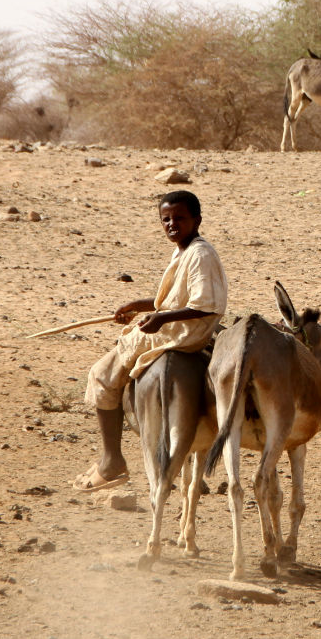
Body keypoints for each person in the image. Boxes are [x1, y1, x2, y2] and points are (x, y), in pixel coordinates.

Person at [72, 190, 228, 491]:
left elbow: (204, 305)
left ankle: (111, 461)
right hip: (178, 325)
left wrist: (160, 320)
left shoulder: (200, 254)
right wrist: (137, 305)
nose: (172, 224)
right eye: (166, 219)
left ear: (197, 220)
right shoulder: (184, 250)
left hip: (184, 332)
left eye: (179, 218)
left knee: (101, 376)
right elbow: (171, 300)